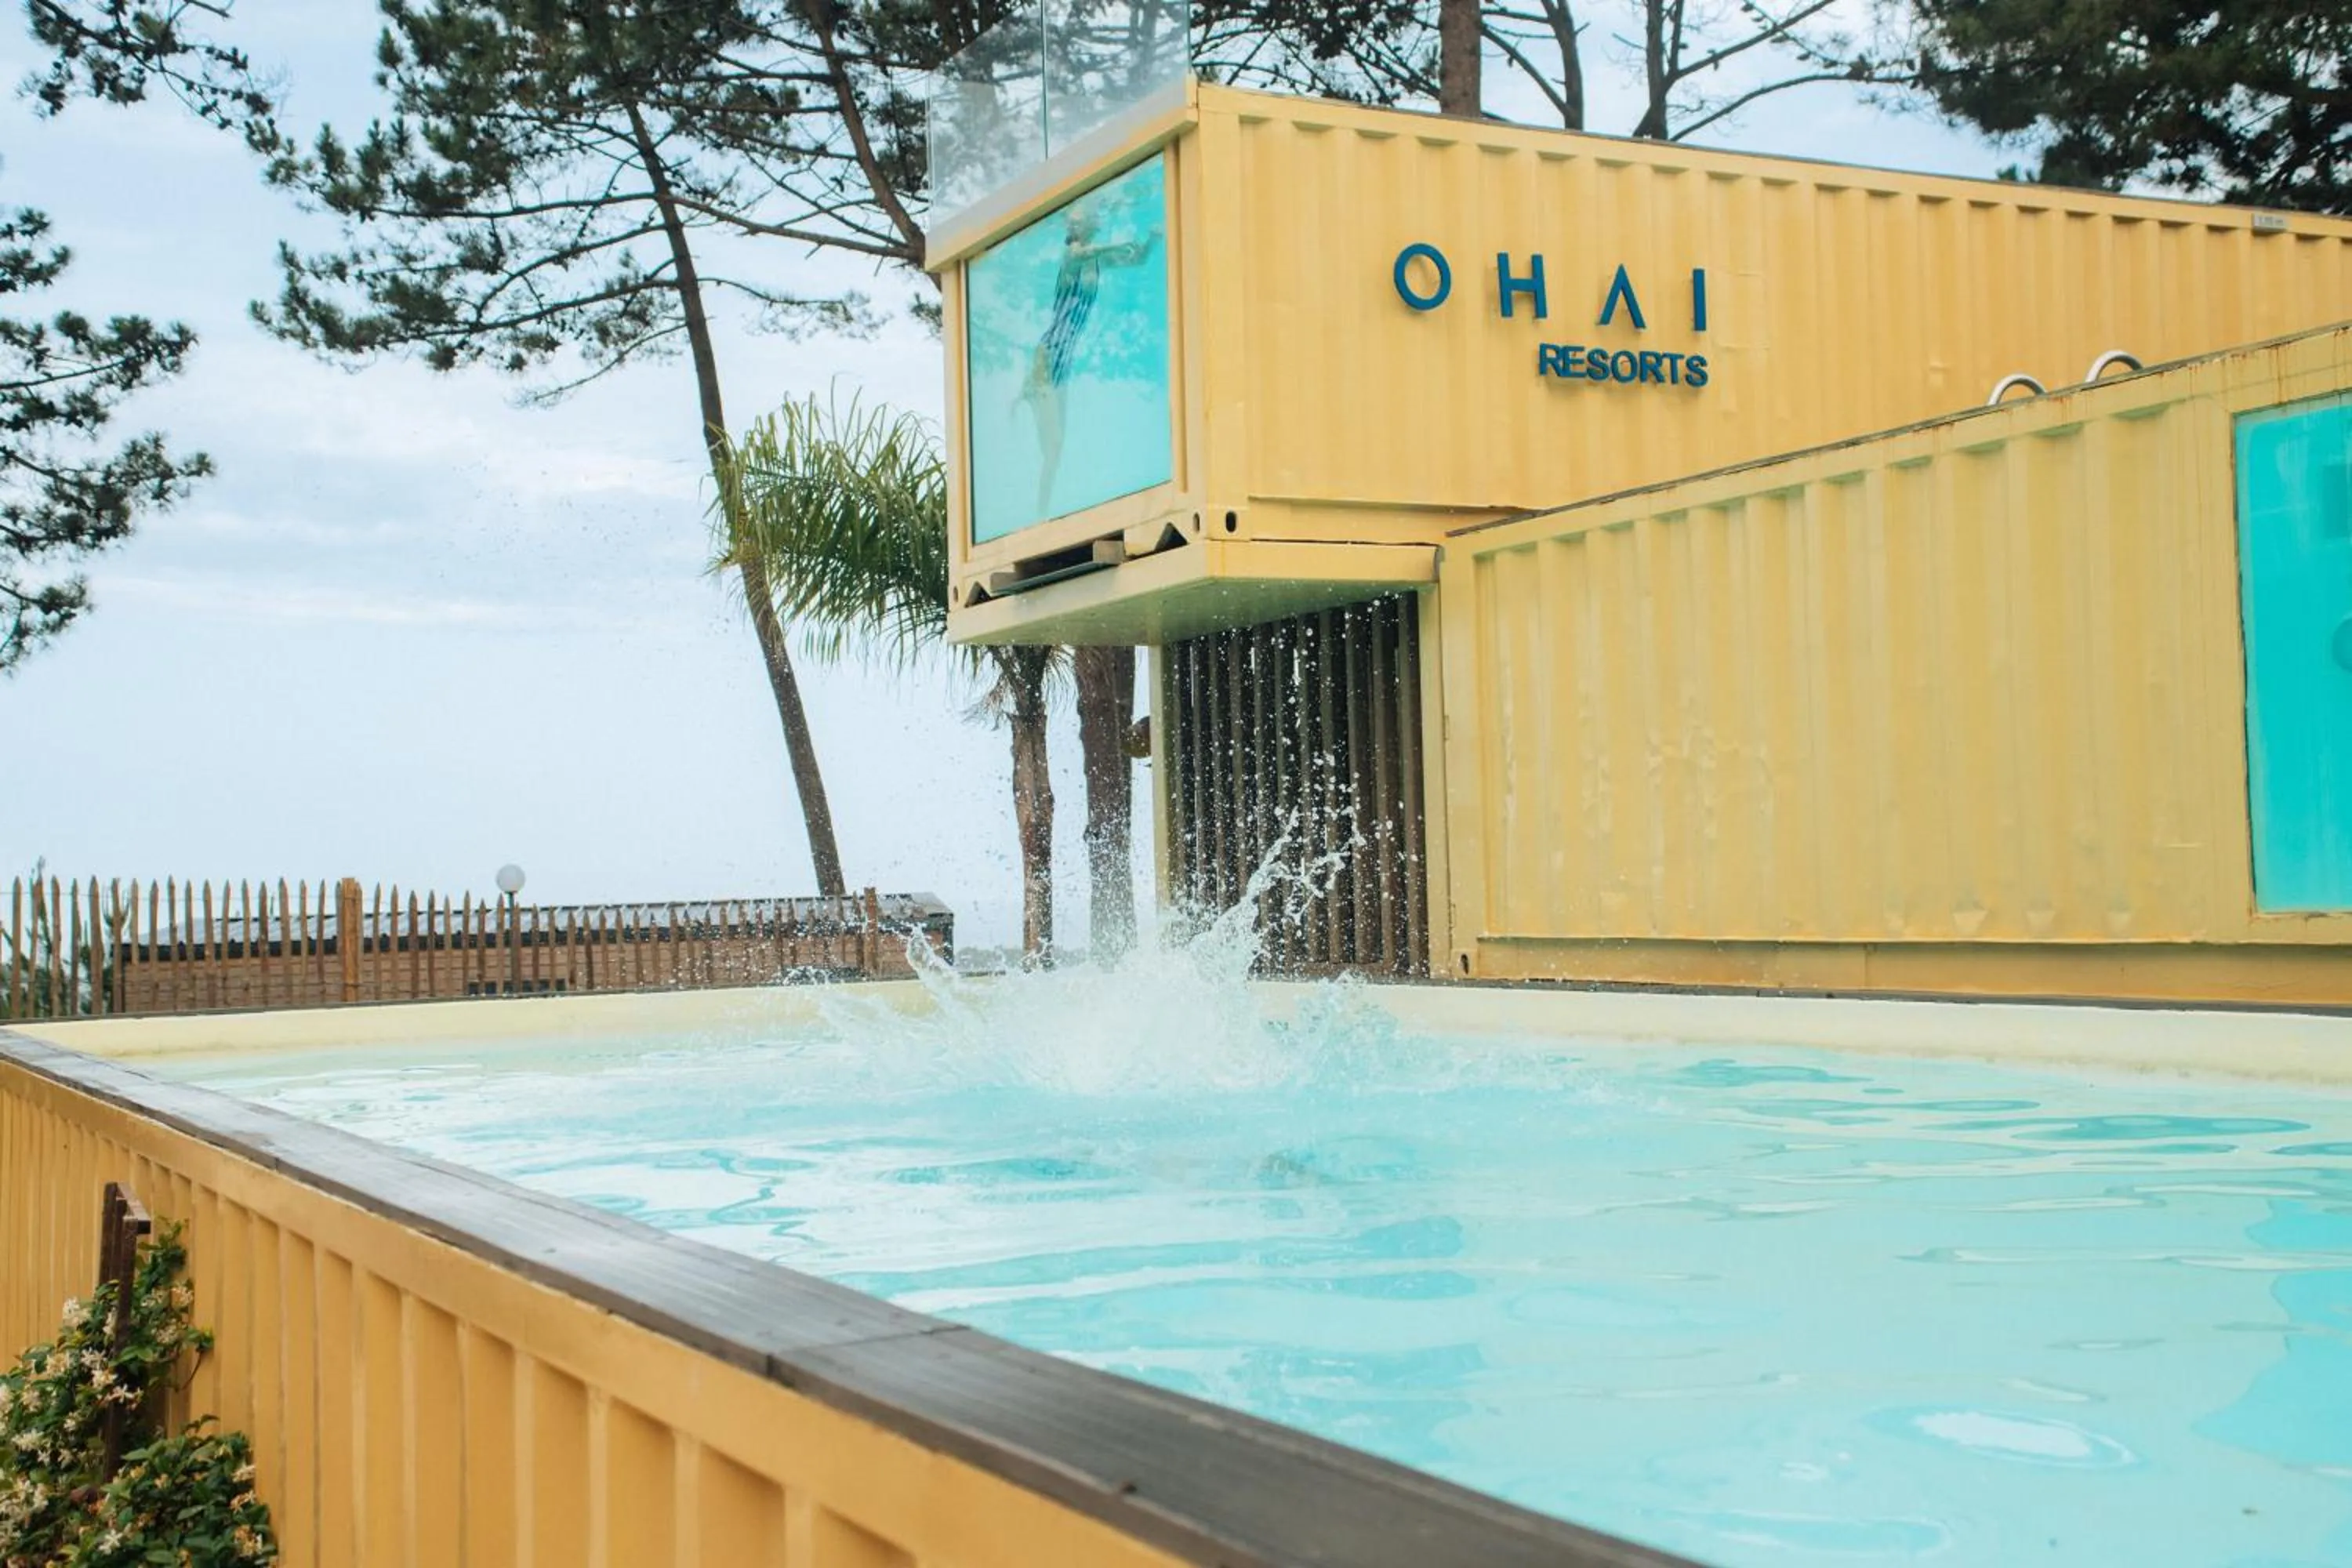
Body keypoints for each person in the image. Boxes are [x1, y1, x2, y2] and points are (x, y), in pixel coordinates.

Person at [1020, 195, 1158, 519]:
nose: (1073, 225)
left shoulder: (1095, 261)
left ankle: (1043, 514)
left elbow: (1136, 259)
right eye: (1071, 222)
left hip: (1063, 364)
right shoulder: (1073, 257)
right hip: (1048, 356)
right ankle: (1038, 518)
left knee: (1057, 449)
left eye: (1079, 220)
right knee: (1052, 449)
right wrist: (1117, 244)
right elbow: (1085, 253)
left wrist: (1153, 239)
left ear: (1093, 223)